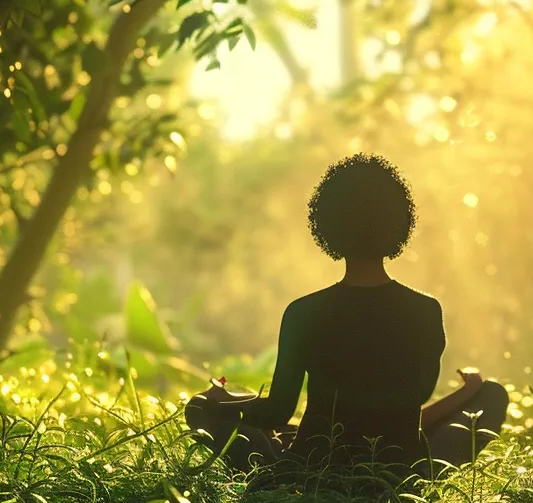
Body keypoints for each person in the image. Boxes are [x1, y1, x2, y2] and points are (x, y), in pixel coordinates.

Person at [185, 153, 510, 479]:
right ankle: (425, 475)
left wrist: (223, 402)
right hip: (399, 468)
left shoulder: (303, 313)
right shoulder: (425, 311)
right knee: (492, 395)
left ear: (327, 223)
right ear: (398, 221)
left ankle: (272, 462)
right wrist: (467, 394)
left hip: (316, 464)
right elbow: (410, 407)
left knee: (200, 408)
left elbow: (277, 411)